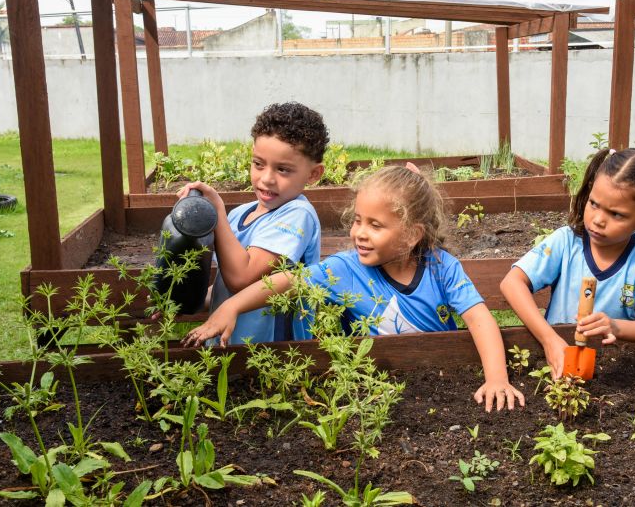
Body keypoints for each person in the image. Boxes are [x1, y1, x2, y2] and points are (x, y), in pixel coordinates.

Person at [183, 164, 525, 412]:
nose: (360, 232)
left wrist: (496, 378)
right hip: (373, 390)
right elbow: (287, 281)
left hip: (441, 375)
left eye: (375, 225)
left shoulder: (440, 266)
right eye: (358, 220)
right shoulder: (345, 268)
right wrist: (231, 307)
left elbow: (479, 318)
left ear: (411, 234)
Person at [500, 147, 635, 379]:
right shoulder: (566, 242)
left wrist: (615, 327)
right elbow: (512, 283)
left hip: (614, 370)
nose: (598, 220)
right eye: (594, 204)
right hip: (556, 355)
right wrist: (549, 340)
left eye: (616, 214)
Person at [177, 102, 329, 345]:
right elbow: (225, 287)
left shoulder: (298, 214)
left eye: (283, 169)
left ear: (313, 174)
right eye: (258, 164)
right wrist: (185, 302)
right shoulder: (239, 215)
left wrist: (216, 210)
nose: (266, 179)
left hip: (272, 357)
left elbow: (242, 277)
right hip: (230, 352)